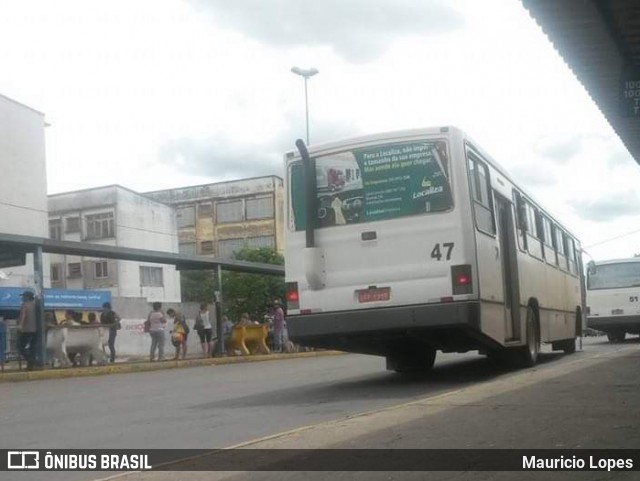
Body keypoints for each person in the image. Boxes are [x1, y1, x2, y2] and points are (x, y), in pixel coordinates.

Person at [17, 291, 37, 370]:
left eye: (23, 296)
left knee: (20, 347)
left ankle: (32, 362)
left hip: (26, 330)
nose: (22, 298)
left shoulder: (24, 305)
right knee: (32, 348)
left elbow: (23, 315)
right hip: (35, 330)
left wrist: (20, 326)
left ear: (28, 297)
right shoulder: (35, 305)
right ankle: (30, 366)